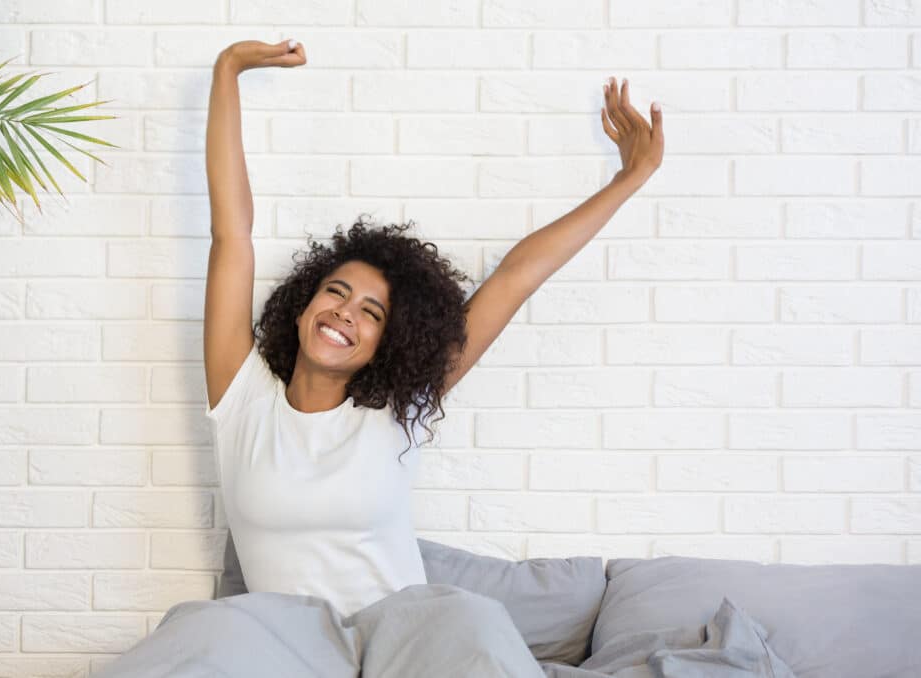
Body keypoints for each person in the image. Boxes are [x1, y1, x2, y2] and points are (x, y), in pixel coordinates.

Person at [199, 38, 662, 677]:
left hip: (410, 643)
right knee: (197, 641)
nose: (345, 313)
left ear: (386, 343)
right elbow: (232, 232)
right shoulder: (240, 394)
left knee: (470, 625)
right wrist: (227, 73)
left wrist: (629, 179)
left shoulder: (392, 408)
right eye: (336, 292)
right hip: (288, 652)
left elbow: (514, 278)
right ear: (303, 305)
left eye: (371, 311)